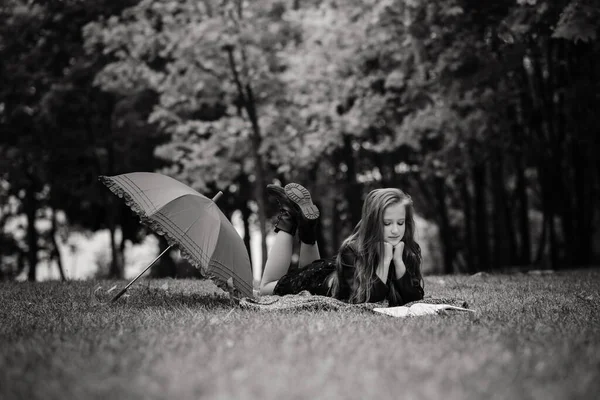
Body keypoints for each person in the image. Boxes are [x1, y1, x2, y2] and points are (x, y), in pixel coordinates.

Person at [260, 183, 424, 306]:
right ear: (373, 223)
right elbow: (366, 301)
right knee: (266, 288)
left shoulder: (407, 250)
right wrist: (384, 261)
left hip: (333, 272)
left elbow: (415, 297)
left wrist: (399, 263)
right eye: (387, 223)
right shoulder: (351, 249)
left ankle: (307, 225)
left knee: (307, 265)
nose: (395, 230)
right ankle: (289, 215)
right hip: (318, 281)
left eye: (400, 223)